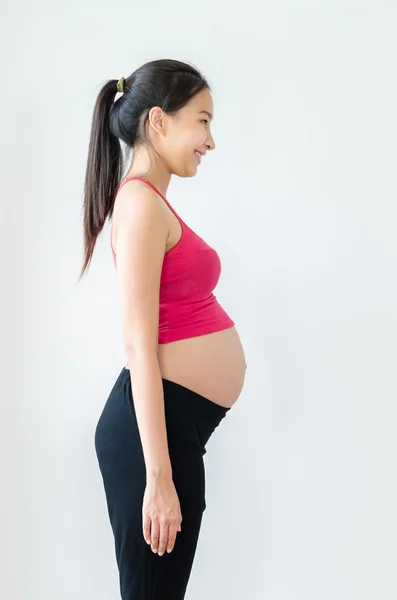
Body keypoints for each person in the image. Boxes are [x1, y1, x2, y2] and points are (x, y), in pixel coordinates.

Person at [79, 58, 247, 599]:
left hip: (172, 430)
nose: (210, 140)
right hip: (154, 438)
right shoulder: (140, 206)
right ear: (159, 120)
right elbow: (138, 346)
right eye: (202, 120)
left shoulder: (148, 203)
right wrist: (159, 477)